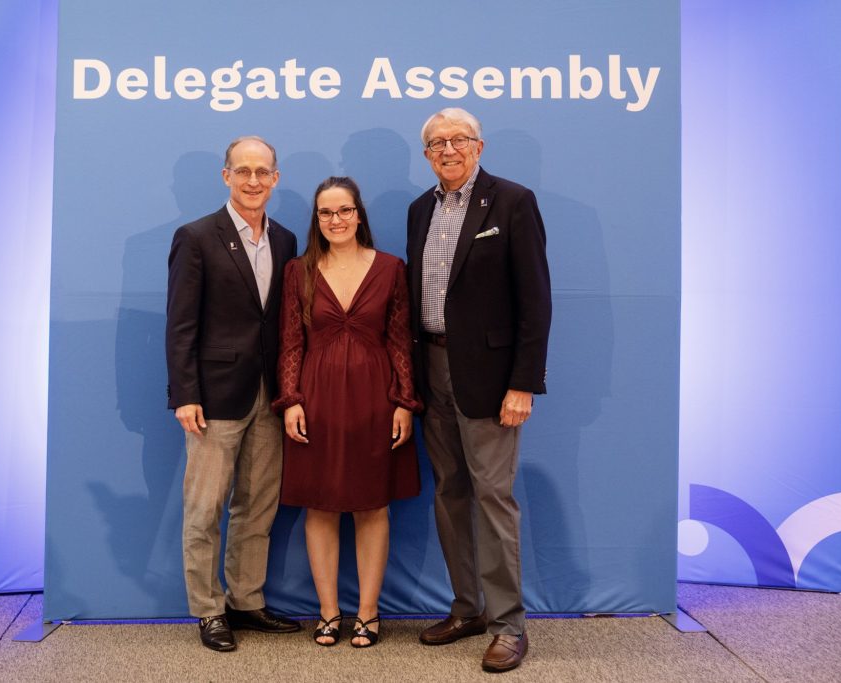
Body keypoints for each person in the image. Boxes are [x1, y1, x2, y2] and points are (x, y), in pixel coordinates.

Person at [406, 109, 552, 673]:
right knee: (449, 493)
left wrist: (523, 383)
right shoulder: (421, 209)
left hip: (491, 381)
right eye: (436, 143)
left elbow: (535, 302)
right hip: (432, 370)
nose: (448, 149)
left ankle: (509, 625)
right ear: (426, 155)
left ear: (479, 146)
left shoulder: (513, 202)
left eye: (458, 140)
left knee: (493, 497)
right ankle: (466, 607)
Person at [272, 176, 421, 648]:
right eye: (325, 212)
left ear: (359, 214)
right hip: (316, 400)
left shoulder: (391, 267)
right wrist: (291, 399)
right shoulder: (299, 271)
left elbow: (400, 341)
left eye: (344, 210)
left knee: (371, 506)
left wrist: (404, 403)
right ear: (317, 220)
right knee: (320, 505)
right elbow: (290, 342)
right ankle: (329, 612)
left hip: (376, 400)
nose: (335, 220)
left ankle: (369, 614)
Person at [166, 135, 300, 652]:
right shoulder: (196, 236)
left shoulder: (286, 240)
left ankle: (246, 601)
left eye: (262, 171)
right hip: (214, 398)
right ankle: (208, 610)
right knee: (204, 510)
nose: (252, 180)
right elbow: (181, 325)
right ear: (226, 176)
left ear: (275, 178)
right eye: (242, 171)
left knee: (258, 506)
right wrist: (185, 393)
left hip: (270, 397)